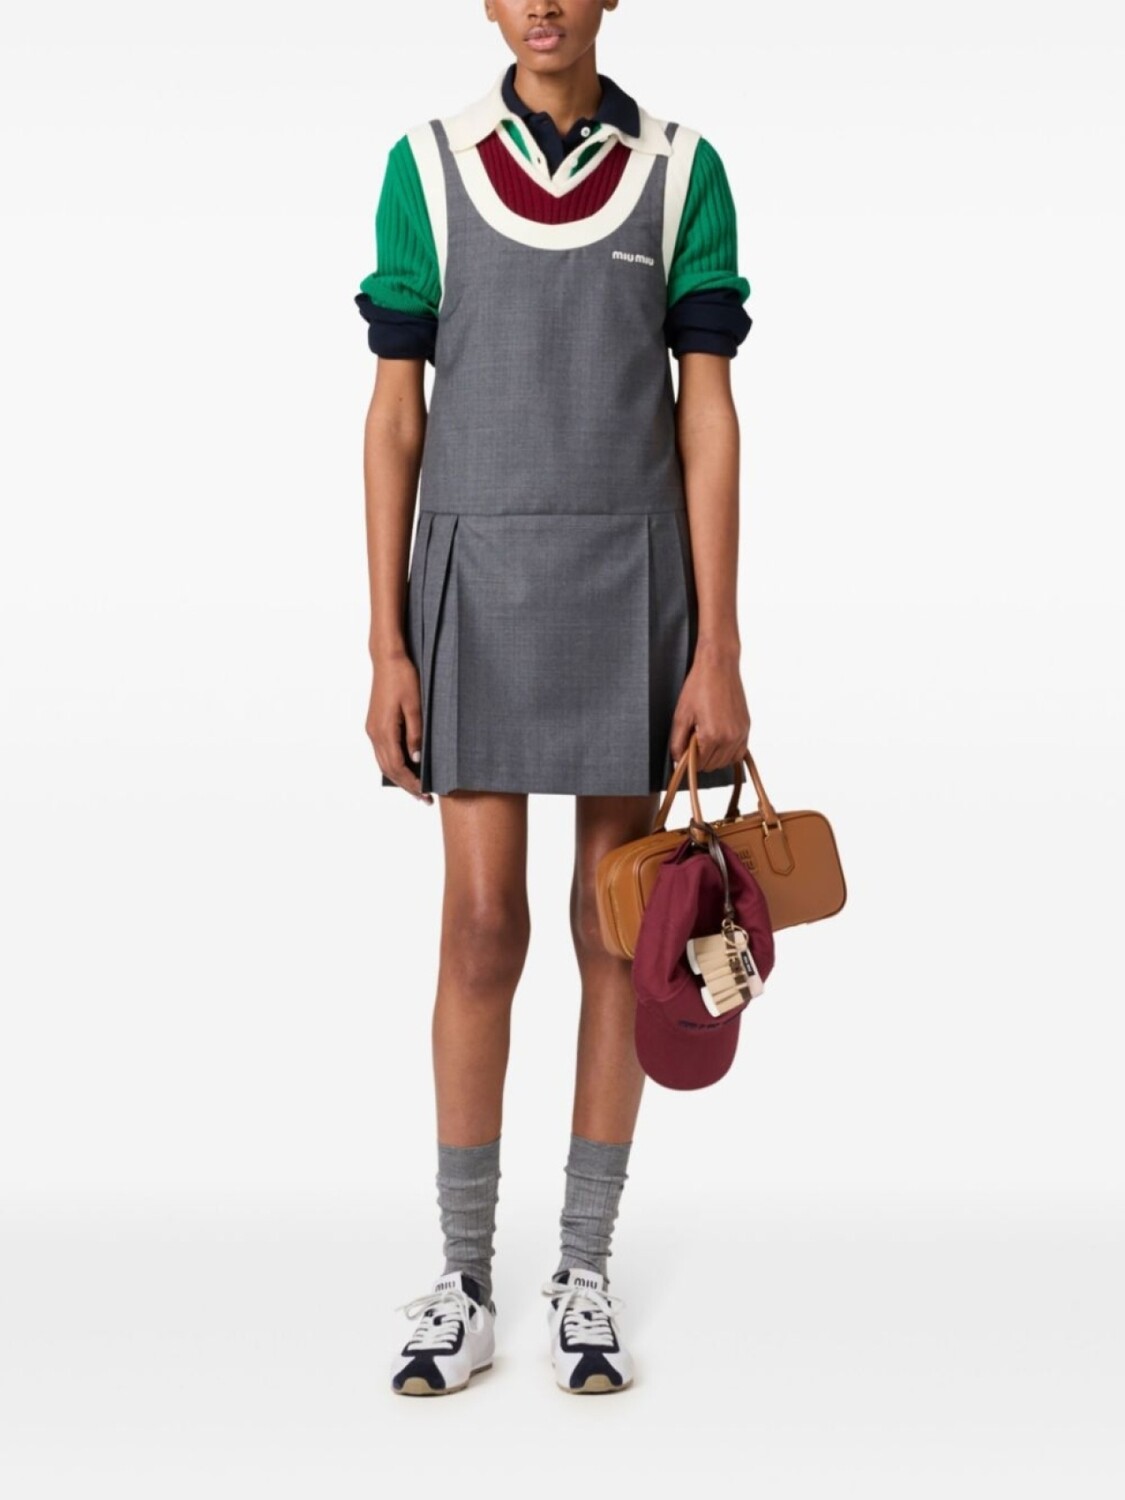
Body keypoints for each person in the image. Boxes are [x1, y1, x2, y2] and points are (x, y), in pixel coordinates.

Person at [357, 0, 752, 1396]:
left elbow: (706, 409)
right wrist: (386, 642)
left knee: (612, 927)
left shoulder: (680, 168)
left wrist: (719, 644)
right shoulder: (429, 163)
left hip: (629, 576)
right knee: (480, 926)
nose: (542, 5)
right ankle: (461, 1276)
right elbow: (394, 412)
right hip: (475, 577)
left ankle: (582, 1265)